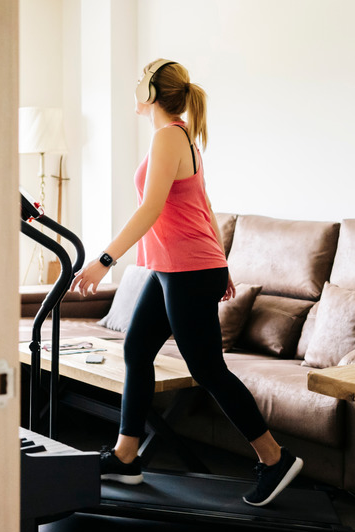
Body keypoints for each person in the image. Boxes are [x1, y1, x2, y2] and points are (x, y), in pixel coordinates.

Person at [69, 59, 303, 507]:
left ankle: (274, 459)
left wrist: (105, 260)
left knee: (207, 369)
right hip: (178, 268)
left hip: (189, 270)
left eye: (142, 76)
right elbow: (203, 203)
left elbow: (151, 208)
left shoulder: (168, 137)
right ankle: (126, 455)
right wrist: (223, 261)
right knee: (137, 349)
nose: (135, 82)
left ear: (152, 92)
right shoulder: (179, 137)